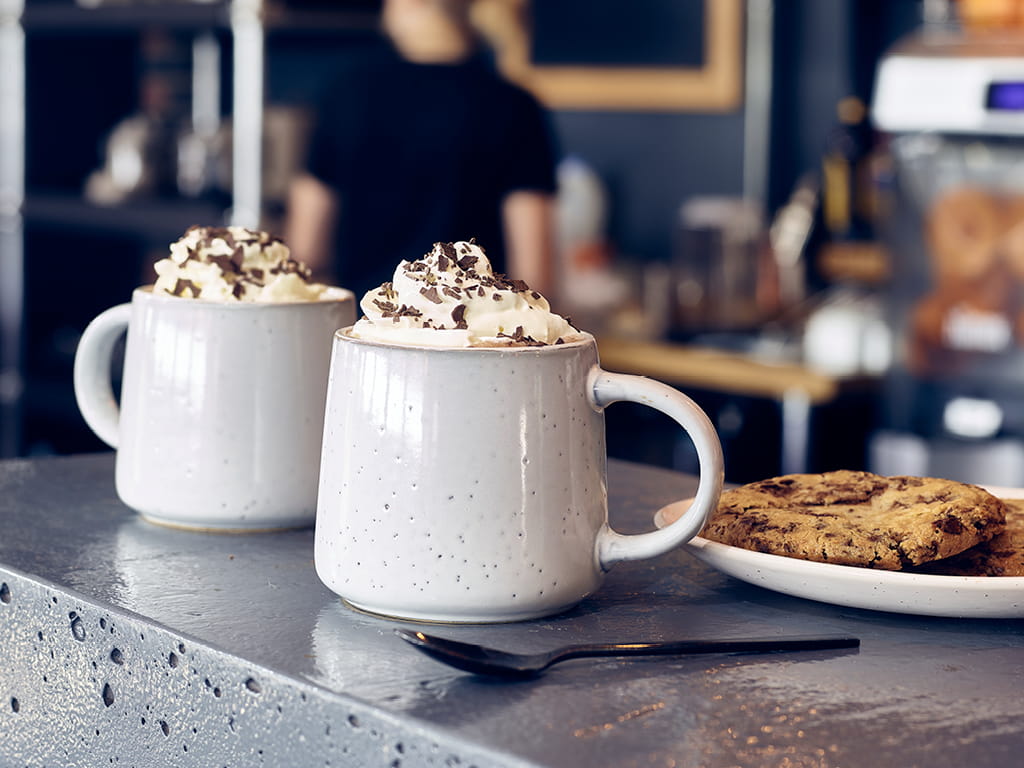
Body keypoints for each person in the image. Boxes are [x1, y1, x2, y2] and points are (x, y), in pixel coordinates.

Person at [285, 0, 559, 300]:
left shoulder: (345, 93)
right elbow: (534, 274)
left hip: (366, 321)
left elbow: (307, 249)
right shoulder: (513, 105)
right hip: (472, 326)